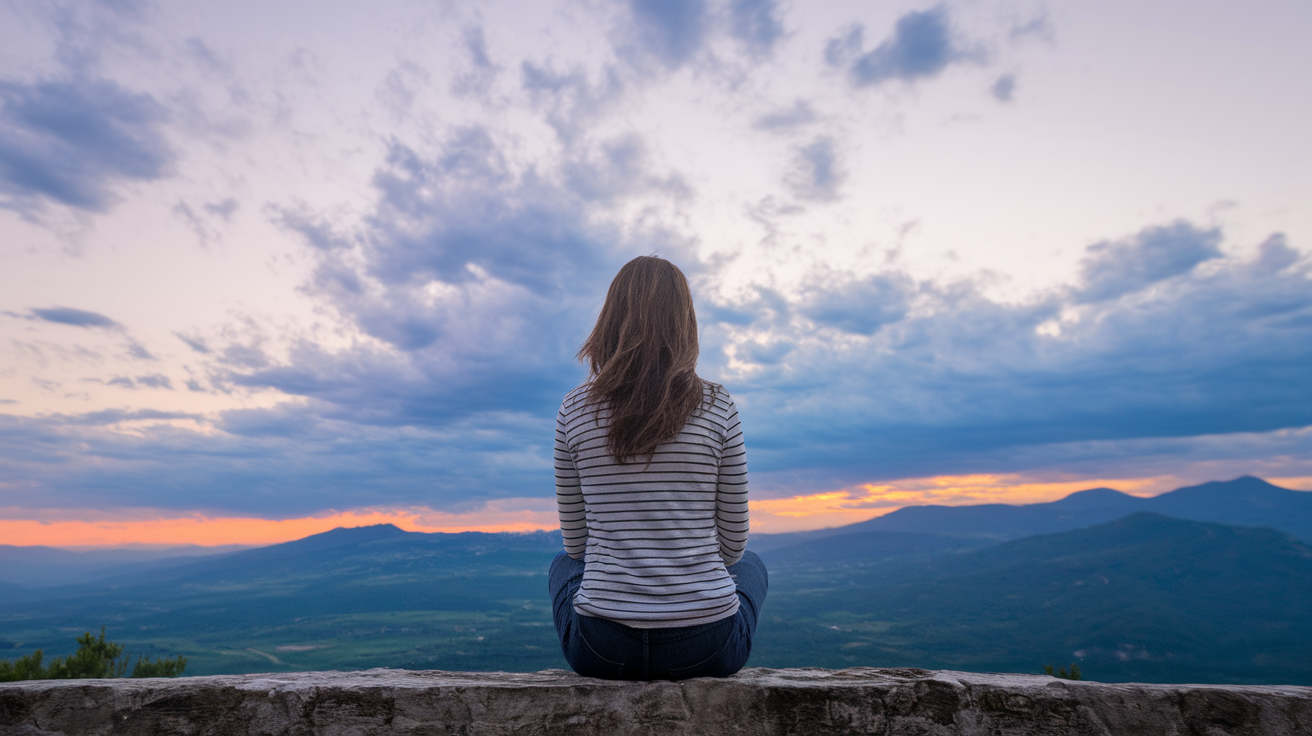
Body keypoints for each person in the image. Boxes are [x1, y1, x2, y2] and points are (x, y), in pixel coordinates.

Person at [548, 255, 768, 680]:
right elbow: (733, 548)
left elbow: (577, 547)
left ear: (610, 321)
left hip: (603, 649)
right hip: (708, 647)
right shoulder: (719, 405)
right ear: (684, 323)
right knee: (752, 564)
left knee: (561, 563)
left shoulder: (573, 411)